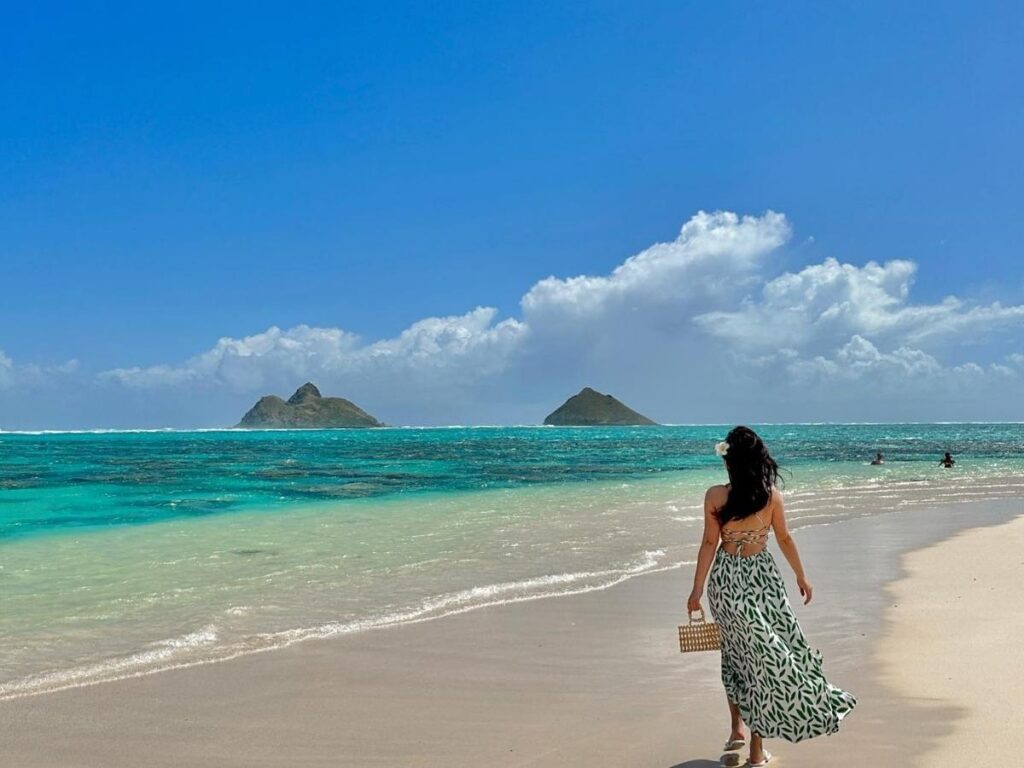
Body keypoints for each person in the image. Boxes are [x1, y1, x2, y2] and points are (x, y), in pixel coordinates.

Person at [688, 426, 856, 766]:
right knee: (762, 659)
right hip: (763, 579)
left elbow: (709, 543)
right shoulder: (772, 496)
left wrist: (697, 589)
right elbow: (785, 538)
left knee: (737, 655)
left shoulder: (715, 495)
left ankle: (740, 730)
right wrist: (800, 575)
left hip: (726, 581)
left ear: (729, 461)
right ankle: (751, 743)